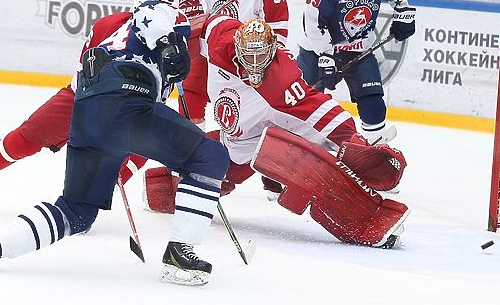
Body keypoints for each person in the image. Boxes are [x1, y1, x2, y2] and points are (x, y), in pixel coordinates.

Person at [0, 0, 230, 287]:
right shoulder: (164, 17)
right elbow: (152, 17)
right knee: (209, 156)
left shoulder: (110, 26)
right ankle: (180, 254)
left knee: (76, 211)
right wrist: (170, 40)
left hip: (89, 106)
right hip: (121, 101)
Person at [142, 15, 410, 249]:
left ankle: (371, 220)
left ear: (274, 49)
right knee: (223, 165)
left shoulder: (282, 80)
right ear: (236, 45)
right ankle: (165, 188)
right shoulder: (220, 39)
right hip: (241, 131)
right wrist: (177, 36)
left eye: (262, 56)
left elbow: (317, 106)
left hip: (281, 122)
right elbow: (210, 22)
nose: (255, 63)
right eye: (248, 56)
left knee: (312, 171)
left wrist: (352, 140)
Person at [0, 0, 177, 198]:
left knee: (140, 148)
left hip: (126, 109)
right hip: (84, 98)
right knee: (27, 137)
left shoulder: (177, 40)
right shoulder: (110, 26)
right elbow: (88, 68)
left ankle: (85, 202)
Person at [176, 0, 289, 195]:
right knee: (190, 98)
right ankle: (185, 158)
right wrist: (192, 9)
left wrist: (270, 62)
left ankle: (267, 170)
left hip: (239, 61)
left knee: (242, 117)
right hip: (204, 46)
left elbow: (279, 27)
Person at [296, 0, 416, 144]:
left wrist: (404, 14)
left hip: (358, 49)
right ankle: (301, 144)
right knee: (303, 101)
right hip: (316, 50)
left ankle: (371, 145)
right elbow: (312, 21)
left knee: (373, 102)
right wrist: (325, 54)